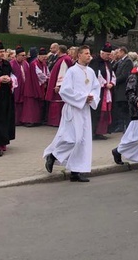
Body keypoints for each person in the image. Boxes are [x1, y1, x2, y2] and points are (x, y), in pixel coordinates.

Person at [43, 45, 100, 183]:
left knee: (82, 141)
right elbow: (65, 91)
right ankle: (54, 155)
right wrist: (82, 98)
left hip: (85, 110)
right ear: (79, 55)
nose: (89, 56)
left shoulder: (91, 72)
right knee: (72, 138)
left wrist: (91, 96)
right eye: (86, 53)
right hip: (73, 108)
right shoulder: (72, 72)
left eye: (89, 53)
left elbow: (96, 87)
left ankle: (76, 171)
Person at [89, 43, 115, 140]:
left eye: (109, 54)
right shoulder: (95, 62)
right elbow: (96, 75)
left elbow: (112, 74)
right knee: (96, 112)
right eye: (107, 55)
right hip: (99, 91)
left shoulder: (109, 63)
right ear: (102, 53)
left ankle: (100, 132)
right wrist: (104, 84)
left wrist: (112, 83)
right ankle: (92, 131)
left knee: (104, 113)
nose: (109, 56)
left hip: (107, 91)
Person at [45, 45, 73, 127]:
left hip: (59, 85)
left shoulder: (64, 60)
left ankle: (55, 121)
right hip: (58, 84)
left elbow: (63, 73)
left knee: (57, 103)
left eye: (57, 50)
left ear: (60, 51)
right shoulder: (62, 59)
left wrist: (59, 85)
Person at [111, 46, 132, 133]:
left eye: (118, 52)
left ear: (123, 52)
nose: (117, 54)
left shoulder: (128, 61)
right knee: (119, 109)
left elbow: (124, 75)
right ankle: (120, 125)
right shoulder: (120, 61)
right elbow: (112, 69)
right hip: (118, 89)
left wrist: (114, 81)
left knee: (124, 109)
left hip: (123, 88)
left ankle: (126, 126)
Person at [29, 48, 49, 125]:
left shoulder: (44, 64)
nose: (44, 59)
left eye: (45, 57)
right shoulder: (34, 63)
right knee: (33, 103)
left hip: (41, 85)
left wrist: (48, 77)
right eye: (43, 57)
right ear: (38, 56)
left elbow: (47, 72)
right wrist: (47, 79)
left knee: (40, 103)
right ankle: (31, 120)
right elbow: (39, 74)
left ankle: (38, 119)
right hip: (34, 85)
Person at [10, 46, 29, 125]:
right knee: (15, 103)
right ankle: (14, 120)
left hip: (24, 86)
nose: (24, 57)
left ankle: (21, 119)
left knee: (22, 103)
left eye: (25, 55)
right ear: (17, 55)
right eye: (22, 55)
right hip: (15, 87)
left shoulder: (26, 64)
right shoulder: (11, 64)